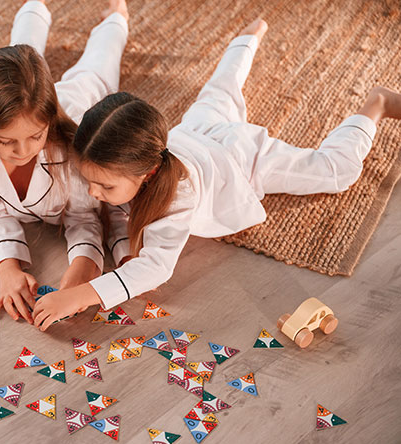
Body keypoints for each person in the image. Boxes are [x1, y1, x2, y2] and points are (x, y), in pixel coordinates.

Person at [32, 18, 401, 330]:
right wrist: (116, 255)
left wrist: (83, 294)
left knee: (336, 171)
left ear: (148, 172)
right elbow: (117, 215)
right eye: (90, 181)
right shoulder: (132, 168)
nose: (93, 193)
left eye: (104, 185)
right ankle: (247, 37)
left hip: (241, 157)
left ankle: (377, 104)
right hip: (195, 132)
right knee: (220, 91)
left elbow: (156, 268)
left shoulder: (178, 195)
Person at [0, 0, 131, 324]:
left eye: (36, 136)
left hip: (79, 100)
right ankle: (34, 7)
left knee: (98, 67)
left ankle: (116, 17)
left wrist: (82, 269)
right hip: (26, 102)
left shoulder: (74, 153)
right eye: (6, 141)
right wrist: (8, 268)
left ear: (49, 122)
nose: (22, 151)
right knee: (17, 64)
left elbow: (84, 218)